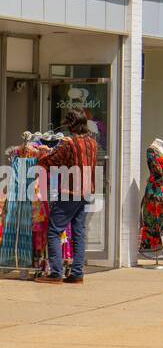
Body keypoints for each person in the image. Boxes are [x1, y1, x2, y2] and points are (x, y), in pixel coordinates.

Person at [33, 109, 98, 285]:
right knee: (78, 232)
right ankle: (77, 273)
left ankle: (56, 273)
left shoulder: (69, 143)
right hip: (86, 191)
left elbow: (50, 160)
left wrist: (43, 152)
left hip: (70, 192)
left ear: (71, 124)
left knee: (54, 230)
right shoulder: (92, 143)